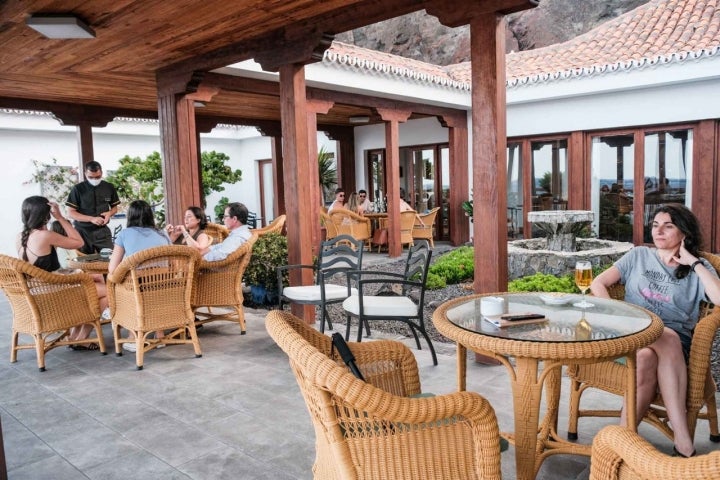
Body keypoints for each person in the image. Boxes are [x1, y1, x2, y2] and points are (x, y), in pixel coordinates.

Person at [590, 204, 720, 458]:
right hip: (631, 332)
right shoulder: (638, 256)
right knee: (653, 341)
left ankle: (619, 444)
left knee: (650, 353)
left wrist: (693, 263)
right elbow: (598, 283)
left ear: (684, 233)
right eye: (655, 225)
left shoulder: (698, 267)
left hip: (671, 341)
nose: (659, 231)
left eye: (668, 226)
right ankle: (683, 437)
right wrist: (617, 316)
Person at [16, 196, 108, 344]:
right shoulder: (45, 235)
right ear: (46, 215)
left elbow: (44, 270)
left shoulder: (20, 237)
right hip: (54, 294)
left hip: (38, 292)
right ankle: (82, 338)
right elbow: (79, 241)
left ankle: (74, 336)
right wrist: (59, 217)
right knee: (109, 292)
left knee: (95, 280)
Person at [66, 161, 121, 254]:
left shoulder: (109, 187)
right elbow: (71, 213)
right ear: (85, 174)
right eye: (90, 177)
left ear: (101, 173)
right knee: (85, 262)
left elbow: (115, 208)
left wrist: (109, 213)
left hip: (102, 231)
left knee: (109, 258)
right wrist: (91, 219)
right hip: (82, 232)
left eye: (98, 177)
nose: (94, 180)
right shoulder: (78, 189)